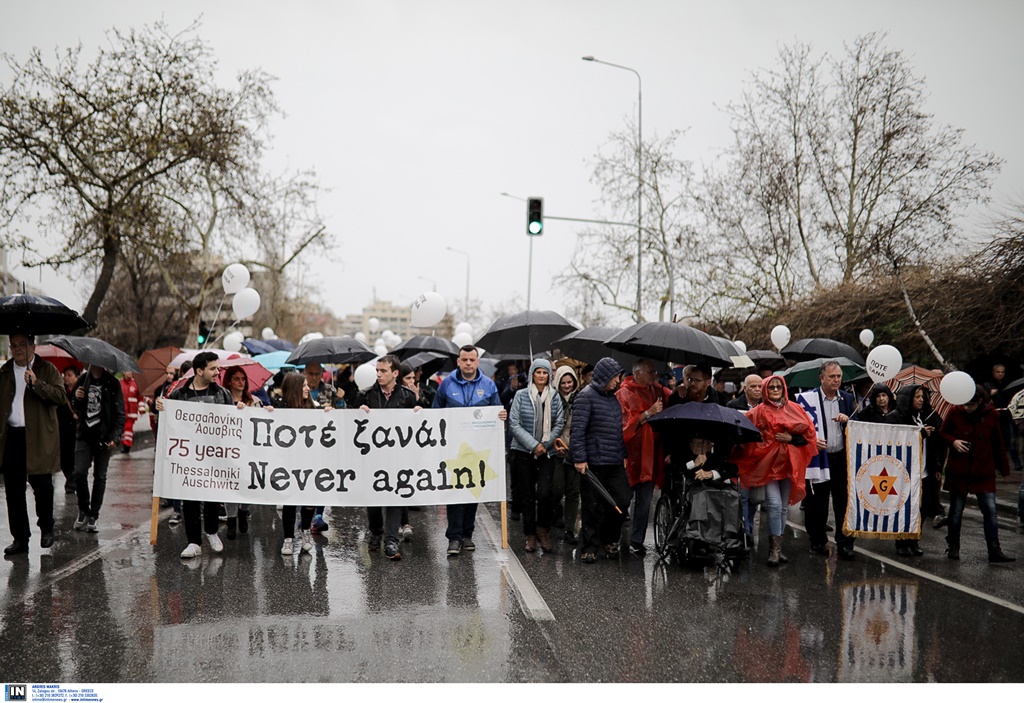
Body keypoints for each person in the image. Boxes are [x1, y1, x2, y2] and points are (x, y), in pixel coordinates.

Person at [156, 351, 237, 559]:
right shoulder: (179, 394)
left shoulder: (222, 394)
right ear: (199, 371)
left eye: (217, 368)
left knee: (212, 496)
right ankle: (193, 542)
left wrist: (241, 410)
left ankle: (211, 532)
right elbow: (168, 420)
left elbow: (233, 420)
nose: (217, 372)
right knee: (189, 499)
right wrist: (162, 409)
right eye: (213, 368)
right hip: (189, 455)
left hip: (214, 454)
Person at [733, 376, 817, 566]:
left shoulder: (795, 409)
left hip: (789, 464)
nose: (776, 389)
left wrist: (791, 439)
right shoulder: (758, 412)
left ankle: (777, 549)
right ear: (765, 390)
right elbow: (745, 433)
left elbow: (808, 437)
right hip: (767, 465)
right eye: (772, 387)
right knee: (774, 504)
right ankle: (774, 550)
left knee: (784, 506)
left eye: (779, 386)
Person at [433, 345, 507, 557]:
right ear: (458, 361)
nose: (468, 363)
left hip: (478, 448)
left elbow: (497, 410)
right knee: (455, 491)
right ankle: (454, 537)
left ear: (477, 362)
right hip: (453, 449)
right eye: (464, 359)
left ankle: (467, 534)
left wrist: (501, 415)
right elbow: (435, 412)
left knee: (473, 490)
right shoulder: (446, 384)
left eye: (471, 360)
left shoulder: (489, 385)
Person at [0, 333, 67, 555]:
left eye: (22, 345)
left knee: (42, 486)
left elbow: (60, 396)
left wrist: (37, 384)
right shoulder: (5, 372)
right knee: (14, 490)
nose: (16, 349)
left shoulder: (47, 369)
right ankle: (20, 538)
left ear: (32, 346)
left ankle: (46, 527)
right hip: (12, 437)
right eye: (13, 345)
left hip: (38, 435)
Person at [938, 384, 1014, 563]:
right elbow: (942, 433)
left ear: (979, 402)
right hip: (959, 470)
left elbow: (998, 442)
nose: (967, 408)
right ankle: (954, 546)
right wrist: (954, 441)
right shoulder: (955, 411)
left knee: (990, 510)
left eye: (970, 405)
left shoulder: (992, 414)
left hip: (983, 470)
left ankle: (994, 549)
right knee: (956, 511)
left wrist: (1004, 468)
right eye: (964, 404)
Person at [358, 355, 421, 560]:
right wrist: (358, 413)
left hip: (397, 457)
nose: (378, 374)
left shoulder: (407, 396)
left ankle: (392, 540)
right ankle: (376, 532)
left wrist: (420, 412)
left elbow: (417, 425)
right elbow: (351, 422)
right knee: (374, 498)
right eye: (377, 371)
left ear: (395, 373)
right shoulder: (366, 395)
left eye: (383, 371)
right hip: (373, 456)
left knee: (395, 496)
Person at [569, 357, 629, 564]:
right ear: (605, 376)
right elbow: (578, 431)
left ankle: (609, 539)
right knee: (591, 505)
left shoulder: (613, 398)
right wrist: (579, 458)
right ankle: (590, 546)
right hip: (592, 462)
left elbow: (615, 431)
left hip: (614, 461)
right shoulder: (585, 397)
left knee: (622, 501)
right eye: (616, 377)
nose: (618, 381)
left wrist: (623, 456)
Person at [798, 360, 857, 560]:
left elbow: (859, 423)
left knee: (843, 501)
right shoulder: (809, 399)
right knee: (817, 502)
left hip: (840, 458)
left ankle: (845, 543)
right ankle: (817, 541)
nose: (836, 380)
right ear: (822, 378)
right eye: (832, 376)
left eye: (839, 376)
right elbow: (800, 427)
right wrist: (812, 440)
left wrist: (848, 420)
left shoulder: (847, 399)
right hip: (818, 457)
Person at [508, 359, 565, 553]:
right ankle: (530, 535)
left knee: (545, 493)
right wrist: (533, 445)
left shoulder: (555, 397)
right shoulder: (521, 395)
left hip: (546, 452)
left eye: (545, 372)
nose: (541, 376)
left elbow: (559, 422)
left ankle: (543, 530)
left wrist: (544, 445)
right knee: (527, 495)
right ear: (532, 374)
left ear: (550, 375)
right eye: (538, 372)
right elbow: (514, 423)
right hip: (523, 452)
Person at [615, 358, 670, 555]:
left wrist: (680, 391)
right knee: (622, 499)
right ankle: (614, 535)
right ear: (637, 373)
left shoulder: (658, 390)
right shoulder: (623, 392)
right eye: (650, 372)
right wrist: (647, 413)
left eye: (655, 372)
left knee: (645, 501)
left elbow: (672, 402)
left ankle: (637, 540)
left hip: (650, 454)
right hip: (629, 455)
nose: (654, 376)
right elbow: (624, 425)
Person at [884, 384, 939, 557]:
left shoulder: (922, 417)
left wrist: (935, 467)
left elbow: (932, 445)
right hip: (904, 473)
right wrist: (920, 434)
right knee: (904, 508)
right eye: (917, 397)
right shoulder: (895, 417)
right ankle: (901, 542)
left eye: (923, 397)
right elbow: (893, 441)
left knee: (922, 508)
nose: (921, 400)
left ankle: (914, 540)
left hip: (922, 471)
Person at [71, 364, 126, 534]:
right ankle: (83, 510)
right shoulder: (83, 379)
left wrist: (115, 437)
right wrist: (77, 398)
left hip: (104, 437)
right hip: (84, 435)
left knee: (99, 476)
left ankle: (93, 515)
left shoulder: (112, 383)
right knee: (79, 473)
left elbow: (120, 413)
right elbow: (75, 407)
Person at [273, 372, 320, 557]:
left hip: (309, 461)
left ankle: (306, 530)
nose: (308, 388)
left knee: (309, 499)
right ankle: (288, 538)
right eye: (304, 385)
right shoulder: (280, 408)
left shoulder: (312, 408)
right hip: (288, 461)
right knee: (290, 500)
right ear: (294, 388)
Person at [303, 361, 343, 534]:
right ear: (305, 373)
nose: (313, 378)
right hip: (303, 442)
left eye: (317, 374)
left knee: (322, 477)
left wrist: (339, 402)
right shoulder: (300, 389)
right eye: (310, 374)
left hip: (325, 442)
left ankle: (318, 515)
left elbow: (344, 415)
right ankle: (305, 514)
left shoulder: (329, 390)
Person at [223, 365, 261, 540]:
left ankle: (243, 511)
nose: (240, 382)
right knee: (231, 484)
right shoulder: (221, 399)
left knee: (247, 482)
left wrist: (267, 410)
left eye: (243, 379)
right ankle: (231, 519)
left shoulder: (254, 400)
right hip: (229, 449)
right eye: (237, 379)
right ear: (229, 381)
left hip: (249, 449)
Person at [728, 373, 764, 534]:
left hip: (759, 460)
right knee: (741, 496)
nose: (757, 389)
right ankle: (744, 531)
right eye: (753, 386)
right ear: (745, 388)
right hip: (740, 458)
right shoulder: (733, 405)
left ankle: (747, 523)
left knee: (755, 498)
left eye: (759, 386)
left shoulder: (766, 406)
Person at [551, 365, 581, 545]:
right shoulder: (553, 400)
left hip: (575, 451)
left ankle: (570, 528)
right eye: (563, 382)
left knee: (573, 491)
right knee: (556, 488)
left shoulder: (580, 399)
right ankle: (554, 516)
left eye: (569, 382)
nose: (567, 386)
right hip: (556, 450)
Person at [57, 366, 80, 495]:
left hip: (77, 431)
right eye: (64, 375)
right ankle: (71, 479)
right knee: (64, 459)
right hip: (63, 429)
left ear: (76, 377)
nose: (66, 378)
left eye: (69, 375)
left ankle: (71, 483)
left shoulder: (81, 390)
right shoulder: (62, 391)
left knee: (75, 458)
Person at [119, 370, 139, 453]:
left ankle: (127, 445)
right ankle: (124, 443)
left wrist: (141, 407)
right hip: (122, 411)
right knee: (122, 429)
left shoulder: (135, 384)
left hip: (132, 411)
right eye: (127, 371)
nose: (130, 373)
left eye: (131, 371)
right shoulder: (120, 383)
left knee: (128, 428)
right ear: (124, 372)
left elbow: (140, 396)